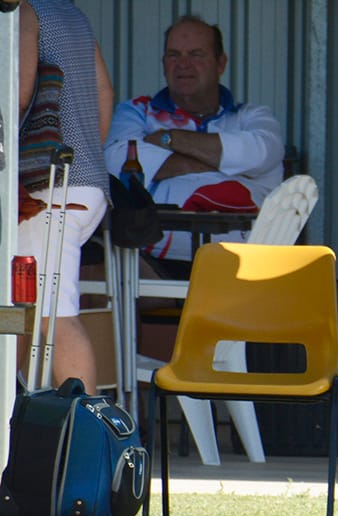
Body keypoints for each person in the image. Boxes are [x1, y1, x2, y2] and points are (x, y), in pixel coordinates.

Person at [104, 14, 284, 275]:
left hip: (244, 267)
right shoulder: (135, 112)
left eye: (196, 54)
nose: (183, 64)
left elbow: (260, 154)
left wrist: (169, 139)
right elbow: (118, 161)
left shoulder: (252, 116)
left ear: (220, 63)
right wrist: (222, 160)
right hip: (151, 266)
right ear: (163, 63)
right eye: (173, 55)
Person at [15, 0, 114, 395]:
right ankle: (9, 413)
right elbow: (105, 93)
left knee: (53, 315)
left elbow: (19, 92)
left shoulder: (24, 11)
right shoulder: (73, 14)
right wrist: (86, 156)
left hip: (49, 189)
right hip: (82, 182)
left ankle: (86, 422)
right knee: (22, 309)